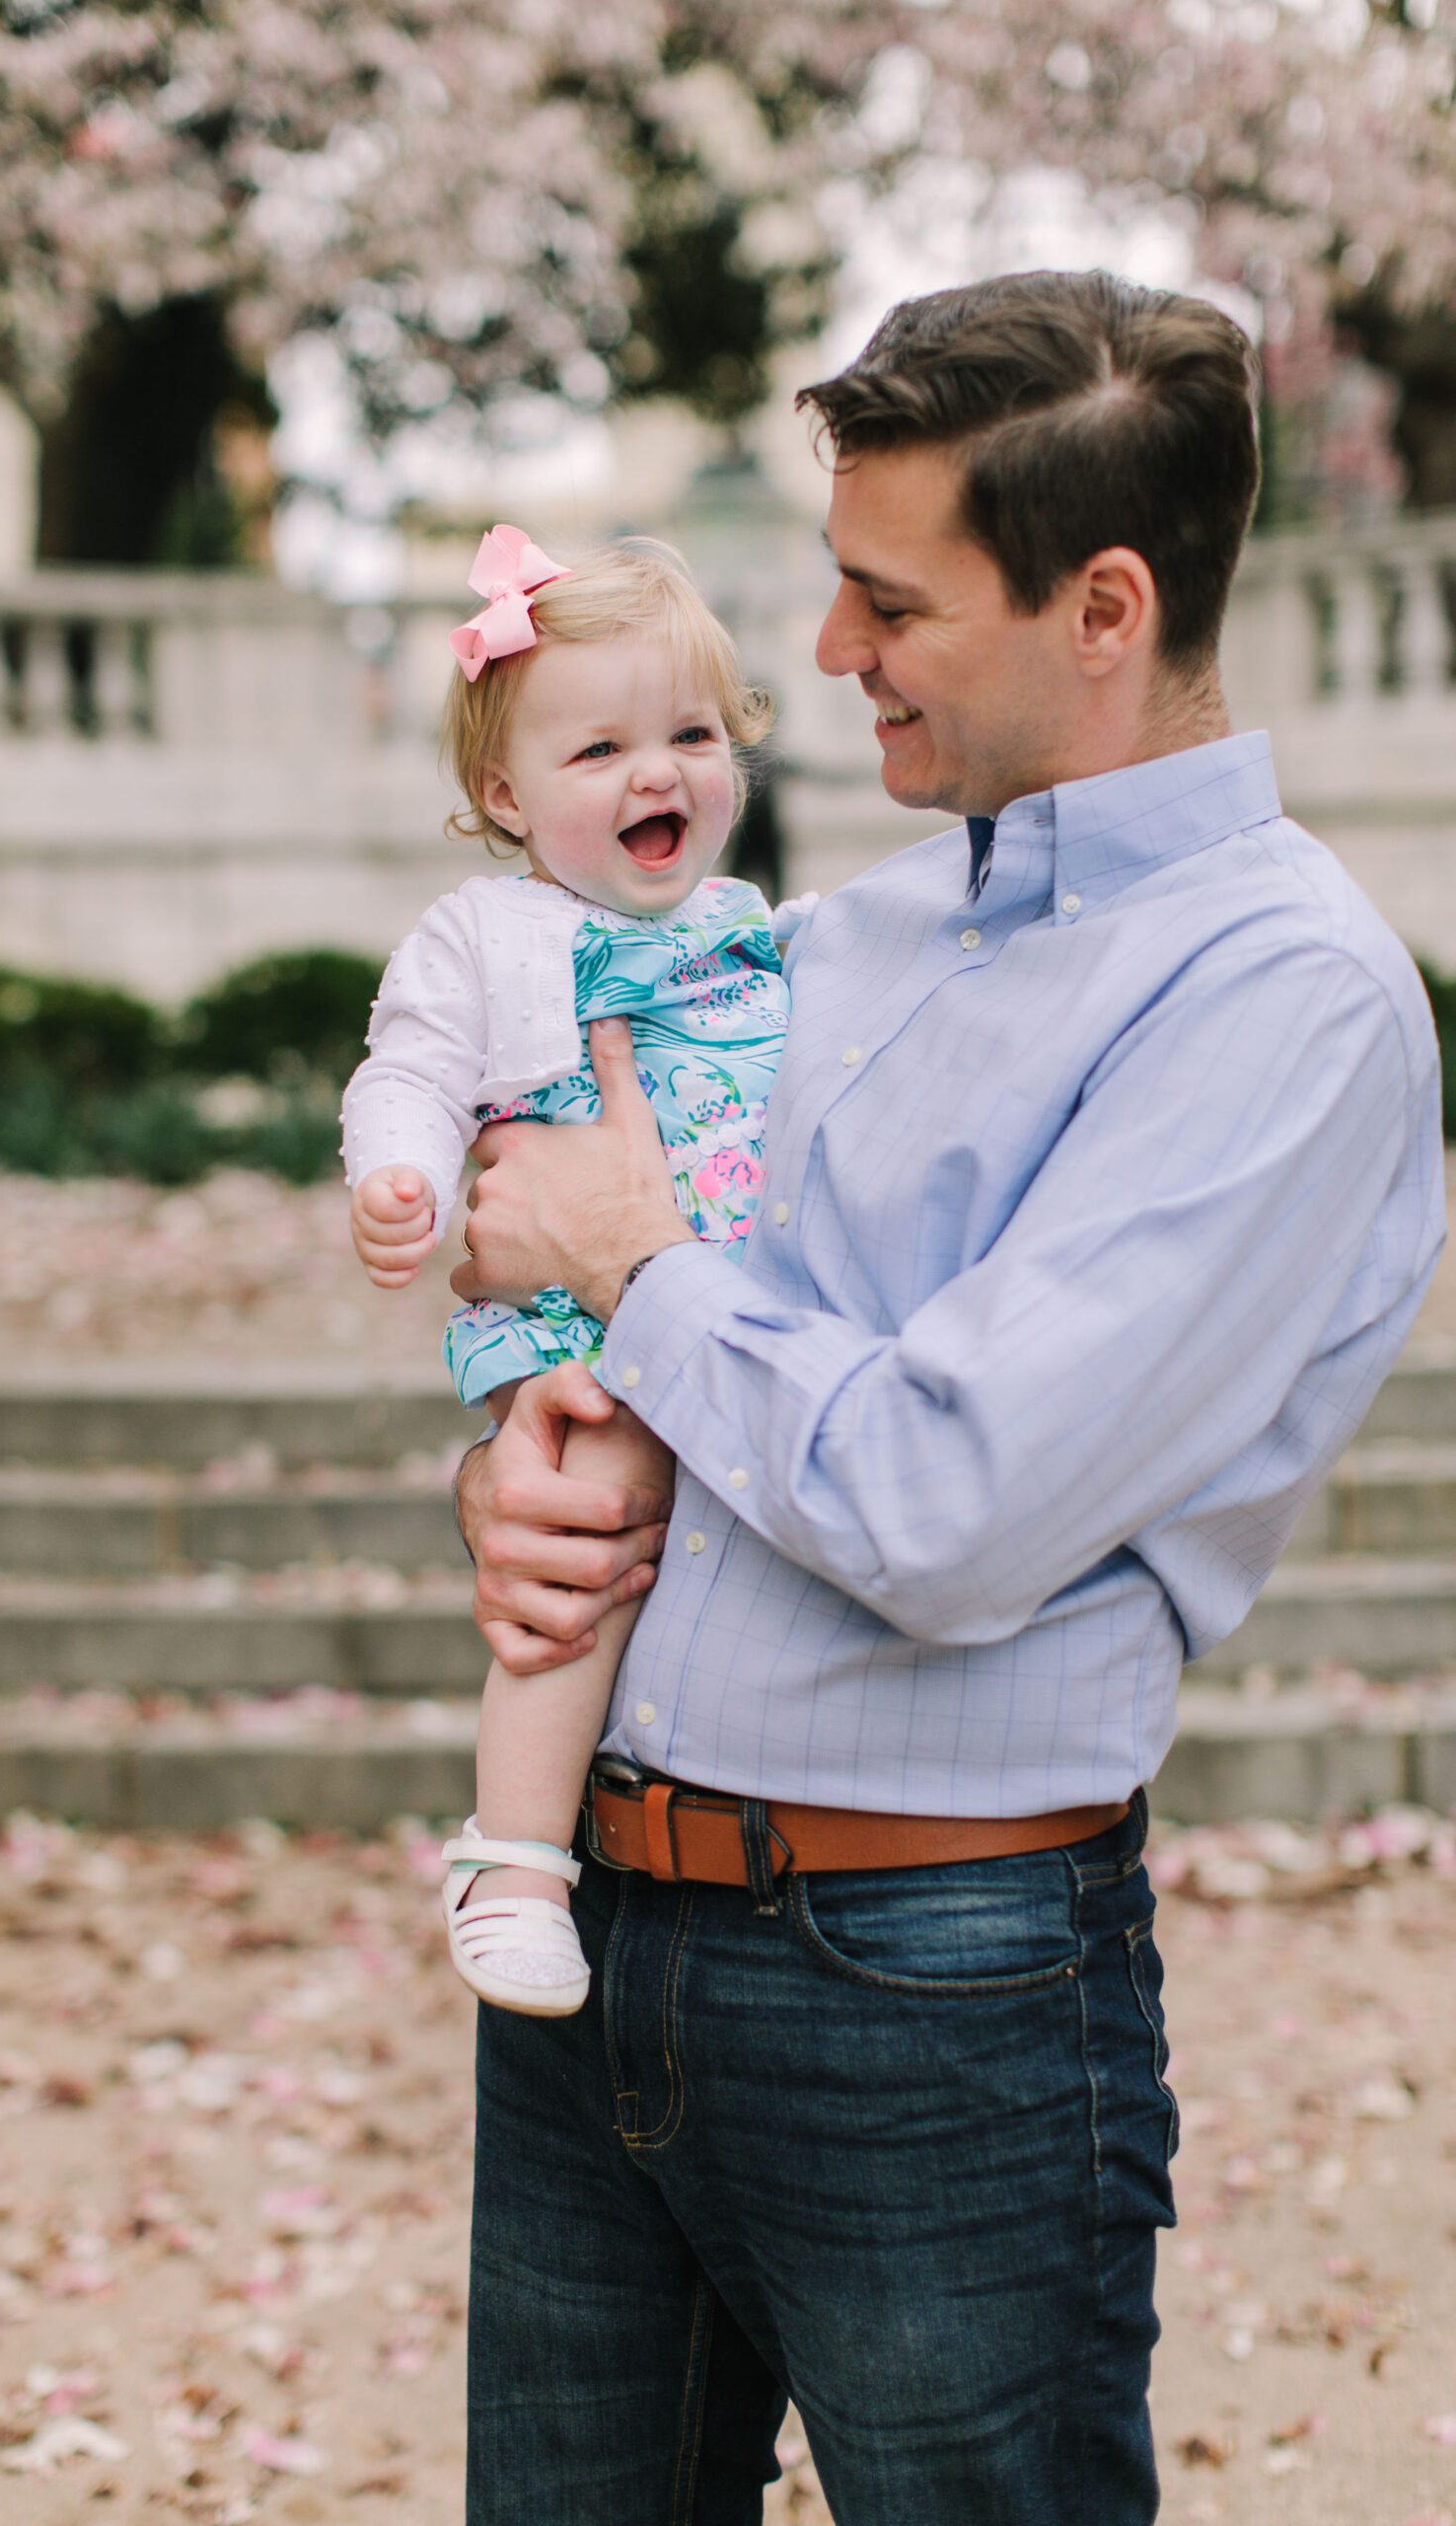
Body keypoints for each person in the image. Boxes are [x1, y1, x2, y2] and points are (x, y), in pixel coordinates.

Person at [449, 269, 1446, 2524]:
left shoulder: (1280, 1001)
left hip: (931, 1986)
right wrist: (513, 1466)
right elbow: (654, 1348)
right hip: (594, 1927)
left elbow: (939, 1501)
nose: (822, 653)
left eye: (887, 601)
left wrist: (629, 1257)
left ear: (1102, 604)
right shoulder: (841, 937)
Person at [341, 532, 801, 2015]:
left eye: (690, 734)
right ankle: (518, 1854)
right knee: (585, 1535)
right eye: (598, 746)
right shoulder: (490, 934)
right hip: (578, 1321)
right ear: (504, 795)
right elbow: (406, 1067)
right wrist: (398, 1177)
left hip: (733, 1303)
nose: (655, 771)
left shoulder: (758, 934)